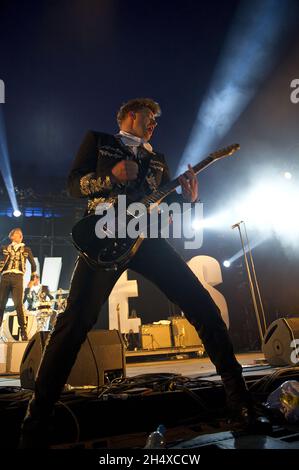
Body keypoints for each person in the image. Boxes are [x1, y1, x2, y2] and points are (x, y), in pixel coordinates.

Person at [20, 98, 267, 447]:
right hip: (105, 234)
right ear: (131, 115)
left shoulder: (157, 160)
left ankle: (240, 402)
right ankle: (36, 421)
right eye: (150, 118)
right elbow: (74, 185)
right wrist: (110, 176)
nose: (153, 125)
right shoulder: (99, 141)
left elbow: (163, 204)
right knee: (74, 323)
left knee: (201, 304)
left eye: (156, 121)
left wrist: (188, 200)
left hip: (146, 239)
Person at [0, 228, 37, 341]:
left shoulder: (26, 249)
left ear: (21, 237)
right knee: (1, 304)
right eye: (14, 234)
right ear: (11, 236)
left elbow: (33, 265)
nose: (16, 236)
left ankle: (23, 331)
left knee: (18, 305)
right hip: (5, 276)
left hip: (18, 277)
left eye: (18, 234)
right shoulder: (4, 248)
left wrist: (31, 280)